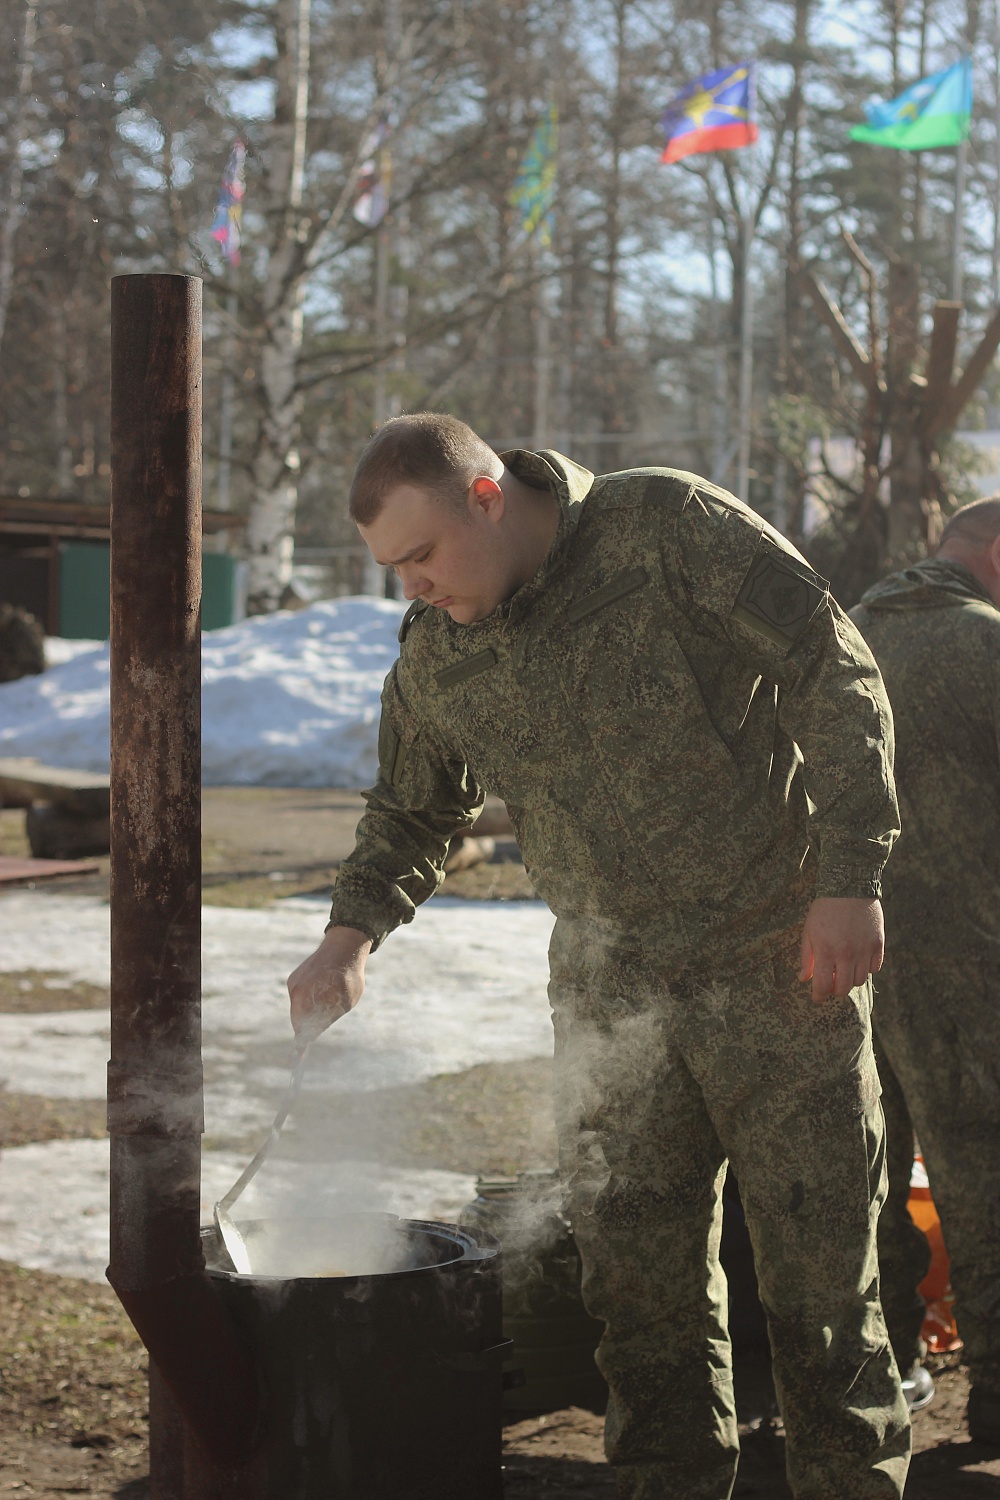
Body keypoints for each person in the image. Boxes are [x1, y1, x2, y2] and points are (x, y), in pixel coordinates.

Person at [287, 414, 910, 1499]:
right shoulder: (439, 650)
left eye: (423, 555)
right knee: (638, 1304)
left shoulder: (664, 528)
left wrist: (848, 878)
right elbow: (409, 811)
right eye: (393, 570)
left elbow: (833, 671)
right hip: (608, 998)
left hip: (776, 967)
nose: (413, 588)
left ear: (487, 496)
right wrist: (348, 940)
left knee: (820, 1299)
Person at [851, 497, 1000, 1448]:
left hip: (848, 950)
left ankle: (878, 1386)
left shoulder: (853, 628)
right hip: (969, 962)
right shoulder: (985, 644)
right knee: (983, 1177)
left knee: (867, 1181)